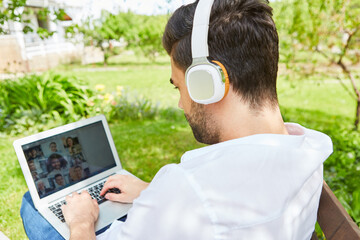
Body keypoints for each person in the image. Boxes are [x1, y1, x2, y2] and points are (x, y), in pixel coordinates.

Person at [21, 0, 333, 239]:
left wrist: (80, 223)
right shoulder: (308, 149)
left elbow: (202, 202)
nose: (181, 103)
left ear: (209, 82)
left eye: (179, 87)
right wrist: (151, 193)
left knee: (33, 204)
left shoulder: (189, 187)